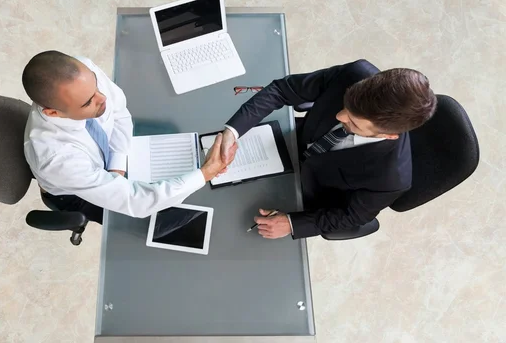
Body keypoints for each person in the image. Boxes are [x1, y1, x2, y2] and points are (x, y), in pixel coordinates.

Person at [220, 59, 437, 239]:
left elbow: (351, 217)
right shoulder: (355, 73)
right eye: (345, 106)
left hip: (305, 192)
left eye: (353, 122)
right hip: (289, 142)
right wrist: (232, 131)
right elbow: (282, 90)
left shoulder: (391, 180)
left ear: (387, 135)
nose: (339, 117)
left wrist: (292, 223)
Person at [22, 50, 235, 224]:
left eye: (96, 86)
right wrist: (205, 174)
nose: (102, 98)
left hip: (111, 162)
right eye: (88, 102)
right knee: (159, 223)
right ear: (53, 113)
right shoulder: (56, 158)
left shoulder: (81, 73)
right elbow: (137, 202)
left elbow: (119, 111)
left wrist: (117, 166)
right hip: (78, 193)